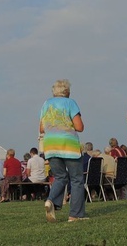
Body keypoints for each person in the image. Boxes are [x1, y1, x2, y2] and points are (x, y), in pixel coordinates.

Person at [40, 78, 86, 223]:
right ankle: (75, 215)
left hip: (51, 145)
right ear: (67, 92)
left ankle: (51, 201)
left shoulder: (46, 104)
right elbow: (79, 127)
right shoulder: (70, 103)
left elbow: (41, 128)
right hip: (68, 144)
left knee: (60, 177)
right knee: (77, 179)